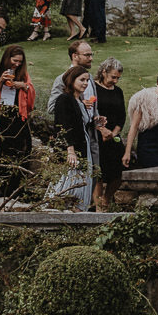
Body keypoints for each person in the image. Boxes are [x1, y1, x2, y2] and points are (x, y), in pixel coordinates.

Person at [0, 44, 36, 187]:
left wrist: (23, 85)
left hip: (17, 114)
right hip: (1, 113)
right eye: (15, 60)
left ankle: (15, 182)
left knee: (21, 147)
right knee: (0, 146)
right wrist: (0, 81)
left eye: (20, 61)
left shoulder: (22, 74)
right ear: (8, 58)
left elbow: (30, 90)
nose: (17, 64)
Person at [51, 66, 100, 211]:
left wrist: (95, 122)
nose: (85, 83)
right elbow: (64, 125)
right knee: (66, 185)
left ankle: (76, 216)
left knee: (81, 188)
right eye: (82, 80)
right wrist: (70, 150)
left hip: (83, 147)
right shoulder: (64, 99)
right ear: (72, 80)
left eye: (87, 80)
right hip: (72, 149)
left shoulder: (79, 101)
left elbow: (80, 124)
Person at [90, 58, 127, 211]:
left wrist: (114, 133)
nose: (115, 80)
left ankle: (106, 199)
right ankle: (99, 207)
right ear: (104, 72)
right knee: (98, 173)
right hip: (97, 136)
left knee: (119, 172)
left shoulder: (118, 91)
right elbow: (89, 111)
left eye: (118, 77)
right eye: (113, 77)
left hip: (113, 136)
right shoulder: (93, 89)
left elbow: (122, 116)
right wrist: (102, 130)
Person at [44, 39, 95, 119]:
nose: (91, 58)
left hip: (90, 129)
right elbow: (52, 108)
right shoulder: (62, 79)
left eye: (92, 55)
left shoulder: (89, 77)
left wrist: (97, 118)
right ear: (75, 56)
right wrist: (79, 105)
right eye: (87, 55)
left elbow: (93, 108)